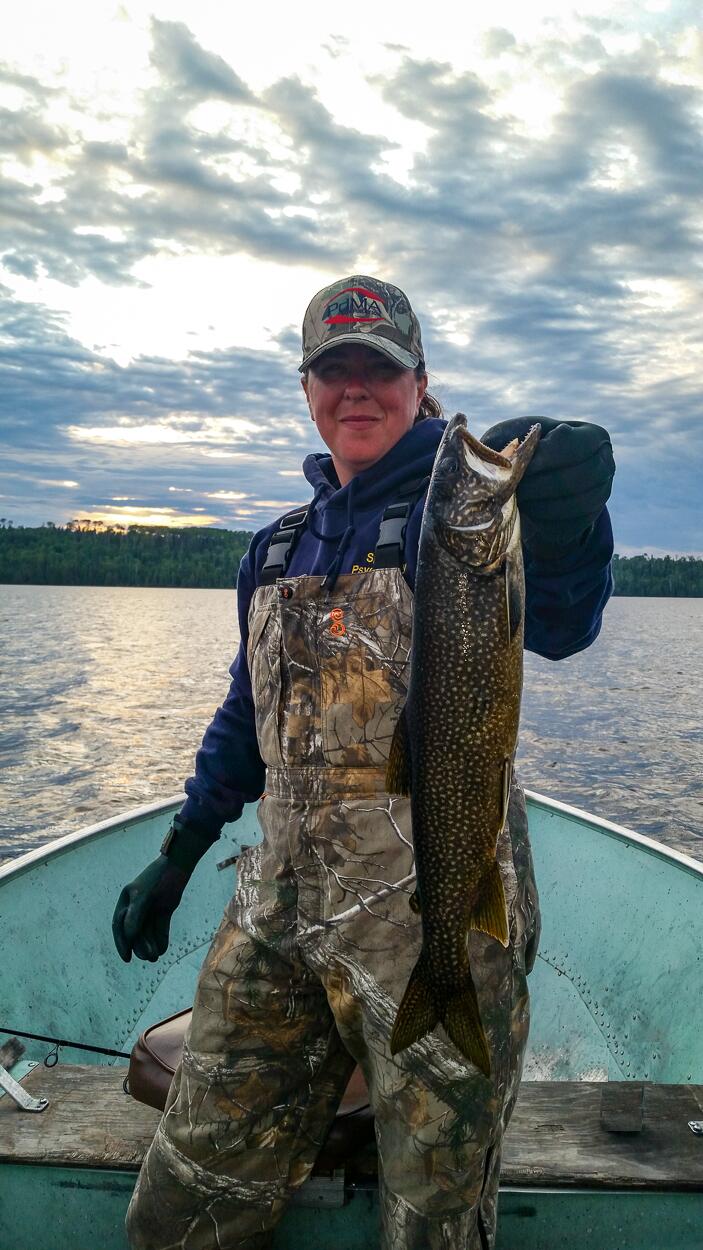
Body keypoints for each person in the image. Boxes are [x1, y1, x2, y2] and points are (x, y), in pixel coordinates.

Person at [114, 275, 615, 1250]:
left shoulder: (464, 514)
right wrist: (182, 848)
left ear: (418, 382)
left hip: (442, 900)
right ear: (308, 388)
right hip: (284, 907)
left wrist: (567, 523)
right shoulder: (275, 545)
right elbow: (243, 714)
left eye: (377, 368)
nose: (356, 387)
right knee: (184, 1201)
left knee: (432, 1217)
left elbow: (557, 621)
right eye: (333, 368)